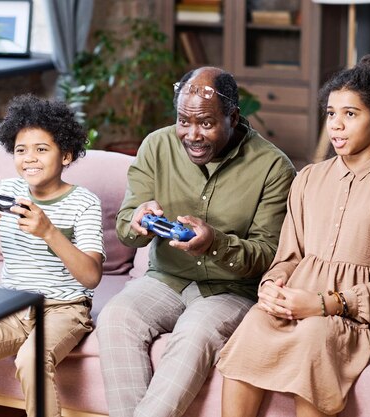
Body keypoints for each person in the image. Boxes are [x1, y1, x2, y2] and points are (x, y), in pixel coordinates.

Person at [217, 55, 370, 417]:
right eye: (331, 114)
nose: (337, 126)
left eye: (350, 114)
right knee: (251, 326)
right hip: (291, 304)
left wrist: (323, 305)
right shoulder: (309, 178)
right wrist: (271, 285)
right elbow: (289, 257)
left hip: (341, 318)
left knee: (314, 338)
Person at [96, 66, 296, 417]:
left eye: (205, 123)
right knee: (115, 316)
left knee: (194, 333)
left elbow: (268, 255)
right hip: (166, 279)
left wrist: (214, 243)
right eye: (183, 121)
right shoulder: (156, 147)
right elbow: (126, 224)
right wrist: (137, 220)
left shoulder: (273, 167)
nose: (192, 135)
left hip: (231, 289)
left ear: (233, 117)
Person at [0, 94, 105, 417]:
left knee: (31, 359)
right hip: (12, 305)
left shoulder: (85, 203)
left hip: (64, 308)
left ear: (66, 155)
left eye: (42, 149)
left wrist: (48, 231)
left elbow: (91, 276)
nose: (29, 158)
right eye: (21, 150)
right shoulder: (7, 190)